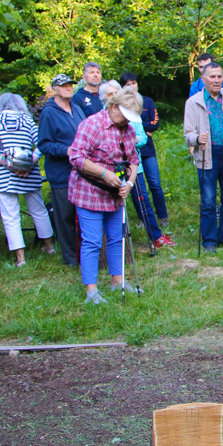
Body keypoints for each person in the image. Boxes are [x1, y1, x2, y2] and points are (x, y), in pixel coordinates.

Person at [68, 88, 141, 304]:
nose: (125, 122)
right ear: (114, 107)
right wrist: (104, 173)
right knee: (92, 241)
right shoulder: (92, 125)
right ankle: (91, 292)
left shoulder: (127, 129)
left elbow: (133, 160)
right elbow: (76, 157)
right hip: (89, 192)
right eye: (124, 116)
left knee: (117, 239)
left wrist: (129, 182)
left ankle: (117, 282)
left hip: (114, 194)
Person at [98, 80, 174, 249]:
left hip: (133, 167)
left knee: (143, 200)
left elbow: (142, 137)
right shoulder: (98, 119)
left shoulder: (131, 114)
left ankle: (155, 236)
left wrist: (131, 141)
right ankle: (114, 243)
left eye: (115, 92)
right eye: (109, 94)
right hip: (109, 170)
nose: (113, 96)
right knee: (113, 202)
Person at [0, 93, 56, 267]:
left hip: (4, 174)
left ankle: (20, 258)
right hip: (29, 172)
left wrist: (10, 165)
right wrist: (29, 162)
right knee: (39, 211)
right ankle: (50, 247)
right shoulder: (27, 121)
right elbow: (41, 143)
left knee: (11, 216)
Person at [183, 62, 223, 253]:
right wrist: (196, 138)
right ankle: (209, 241)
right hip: (207, 154)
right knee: (208, 201)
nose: (217, 80)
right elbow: (188, 133)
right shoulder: (193, 102)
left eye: (220, 76)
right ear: (203, 79)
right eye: (212, 76)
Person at [38, 74, 86, 266]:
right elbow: (44, 145)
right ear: (54, 89)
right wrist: (65, 150)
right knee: (65, 216)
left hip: (82, 171)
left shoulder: (77, 108)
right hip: (61, 173)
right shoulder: (49, 113)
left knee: (82, 215)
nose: (68, 88)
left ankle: (86, 254)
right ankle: (70, 258)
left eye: (70, 85)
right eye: (63, 85)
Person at [120, 72, 169, 228]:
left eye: (133, 83)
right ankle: (143, 218)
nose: (131, 86)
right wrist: (142, 129)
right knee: (136, 186)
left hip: (147, 149)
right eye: (128, 84)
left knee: (155, 183)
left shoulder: (147, 101)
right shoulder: (122, 105)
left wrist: (144, 128)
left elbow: (154, 123)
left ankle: (163, 216)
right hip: (131, 153)